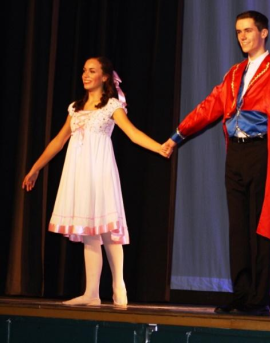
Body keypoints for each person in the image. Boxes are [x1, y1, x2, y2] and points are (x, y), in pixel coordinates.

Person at [162, 10, 270, 317]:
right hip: (235, 154)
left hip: (259, 151)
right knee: (238, 227)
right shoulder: (234, 73)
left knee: (258, 225)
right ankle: (240, 294)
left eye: (248, 30)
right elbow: (209, 107)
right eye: (238, 32)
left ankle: (258, 299)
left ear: (263, 33)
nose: (242, 37)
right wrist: (177, 136)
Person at [22, 57, 169, 307]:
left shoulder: (111, 105)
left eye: (92, 71)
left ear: (105, 77)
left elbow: (132, 133)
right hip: (78, 173)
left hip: (100, 170)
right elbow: (58, 141)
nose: (85, 75)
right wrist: (36, 168)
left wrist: (159, 147)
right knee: (88, 231)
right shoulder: (75, 109)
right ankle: (91, 292)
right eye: (84, 71)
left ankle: (119, 286)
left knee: (107, 228)